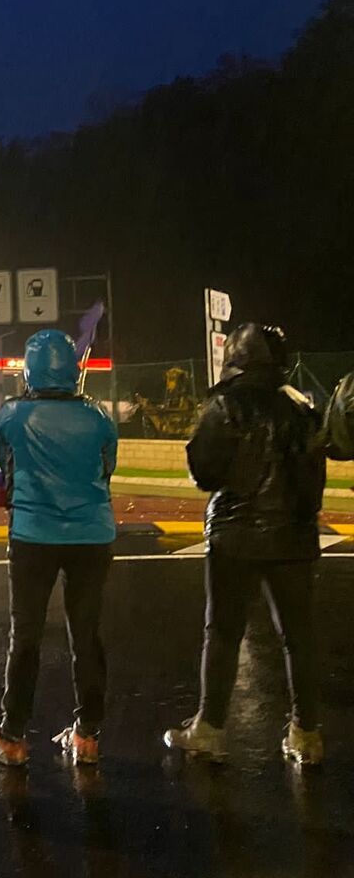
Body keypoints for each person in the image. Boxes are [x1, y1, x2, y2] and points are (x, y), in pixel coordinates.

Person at [164, 324, 326, 767]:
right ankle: (307, 733)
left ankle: (210, 728)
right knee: (298, 638)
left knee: (222, 633)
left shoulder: (227, 404)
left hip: (234, 537)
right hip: (294, 536)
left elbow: (204, 472)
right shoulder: (300, 407)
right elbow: (313, 480)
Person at [0, 328, 117, 767]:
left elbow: (1, 460)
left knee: (26, 635)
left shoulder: (13, 414)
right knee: (86, 635)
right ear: (73, 369)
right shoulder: (98, 415)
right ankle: (88, 736)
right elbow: (108, 466)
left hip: (34, 534)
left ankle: (12, 736)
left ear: (31, 370)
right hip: (92, 535)